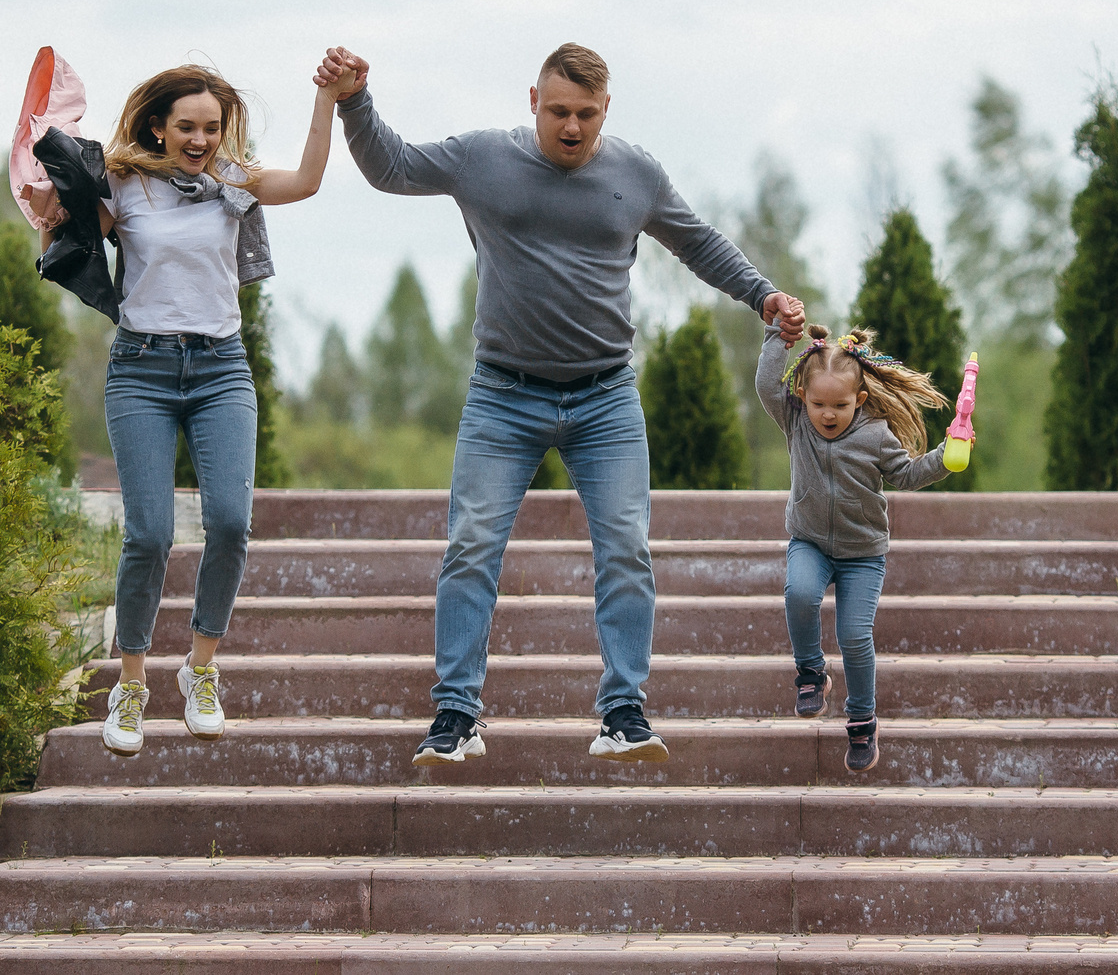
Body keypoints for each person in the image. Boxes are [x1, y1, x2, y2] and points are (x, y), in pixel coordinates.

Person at [319, 42, 806, 766]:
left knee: (627, 549)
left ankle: (624, 713)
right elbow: (390, 166)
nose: (571, 128)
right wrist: (354, 100)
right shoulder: (484, 158)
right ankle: (456, 716)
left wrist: (762, 293)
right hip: (503, 395)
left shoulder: (635, 173)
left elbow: (697, 241)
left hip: (605, 396)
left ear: (605, 109)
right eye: (558, 112)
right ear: (532, 101)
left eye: (585, 114)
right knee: (471, 545)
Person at [44, 57, 357, 758]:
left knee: (230, 521)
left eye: (211, 126)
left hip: (220, 369)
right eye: (187, 125)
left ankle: (201, 667)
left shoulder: (232, 183)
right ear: (158, 125)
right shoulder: (123, 183)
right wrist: (49, 203)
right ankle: (131, 683)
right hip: (142, 370)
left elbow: (306, 180)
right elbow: (70, 231)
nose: (200, 138)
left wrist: (326, 99)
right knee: (149, 533)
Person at [755, 322, 954, 773]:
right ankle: (811, 674)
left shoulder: (875, 435)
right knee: (800, 594)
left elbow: (906, 474)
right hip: (809, 542)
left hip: (863, 554)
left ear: (859, 400)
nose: (828, 414)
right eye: (819, 403)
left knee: (853, 636)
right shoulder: (796, 422)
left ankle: (862, 721)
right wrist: (776, 338)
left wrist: (945, 456)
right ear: (803, 396)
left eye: (840, 405)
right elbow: (768, 384)